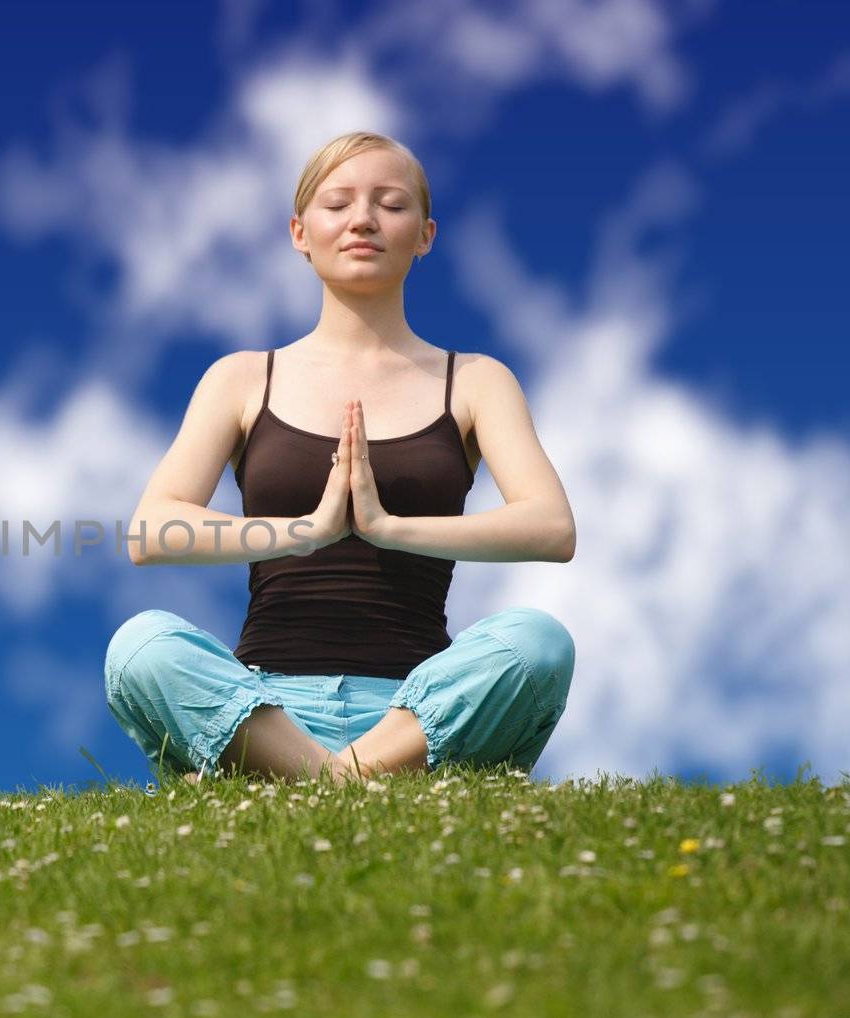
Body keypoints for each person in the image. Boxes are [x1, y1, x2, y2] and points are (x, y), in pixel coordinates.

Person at [103, 131, 577, 787]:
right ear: (300, 232)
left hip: (416, 709)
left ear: (425, 234)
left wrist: (389, 528)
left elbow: (552, 528)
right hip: (264, 711)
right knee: (139, 647)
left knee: (540, 643)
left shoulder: (474, 380)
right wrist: (304, 532)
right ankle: (348, 779)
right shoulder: (242, 378)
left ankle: (303, 782)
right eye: (338, 204)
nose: (363, 220)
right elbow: (149, 530)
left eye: (390, 203)